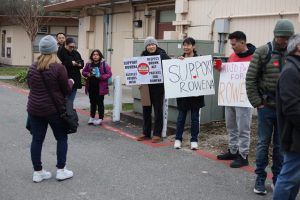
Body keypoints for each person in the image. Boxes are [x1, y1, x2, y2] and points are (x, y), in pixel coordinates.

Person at [246, 19, 294, 195]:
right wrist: (257, 102)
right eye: (283, 37)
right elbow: (250, 79)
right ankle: (259, 178)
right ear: (276, 35)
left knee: (281, 146)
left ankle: (277, 178)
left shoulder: (293, 53)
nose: (286, 41)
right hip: (266, 107)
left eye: (289, 37)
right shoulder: (263, 51)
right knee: (263, 144)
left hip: (285, 109)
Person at [27, 35, 74, 182]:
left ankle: (38, 172)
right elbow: (65, 90)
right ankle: (61, 170)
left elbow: (31, 86)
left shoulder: (32, 67)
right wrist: (71, 82)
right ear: (54, 50)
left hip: (35, 109)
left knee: (37, 140)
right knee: (61, 138)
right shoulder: (59, 68)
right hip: (54, 110)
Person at [216, 31, 256, 168]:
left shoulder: (254, 57)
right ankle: (233, 150)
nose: (232, 47)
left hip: (244, 98)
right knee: (231, 125)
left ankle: (243, 155)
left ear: (242, 42)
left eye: (234, 44)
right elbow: (229, 74)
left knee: (243, 128)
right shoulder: (233, 56)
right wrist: (220, 68)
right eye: (231, 44)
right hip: (231, 97)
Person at [273, 34, 300, 200]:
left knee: (294, 179)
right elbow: (292, 108)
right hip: (295, 136)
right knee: (289, 178)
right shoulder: (290, 71)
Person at [137, 36, 170, 143]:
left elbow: (170, 66)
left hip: (158, 87)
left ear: (156, 45)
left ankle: (157, 133)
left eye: (152, 44)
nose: (151, 47)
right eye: (148, 45)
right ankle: (146, 132)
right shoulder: (143, 56)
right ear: (146, 47)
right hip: (145, 87)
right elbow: (138, 70)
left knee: (158, 110)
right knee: (146, 110)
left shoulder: (163, 55)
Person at [173, 37, 205, 150]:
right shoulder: (179, 59)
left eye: (188, 45)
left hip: (196, 95)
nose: (186, 47)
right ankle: (178, 139)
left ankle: (194, 140)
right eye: (184, 45)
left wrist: (199, 90)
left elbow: (204, 77)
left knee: (195, 118)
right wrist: (178, 62)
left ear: (193, 46)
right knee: (181, 117)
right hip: (183, 94)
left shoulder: (200, 59)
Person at [82, 50, 112, 126]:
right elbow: (83, 72)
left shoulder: (104, 64)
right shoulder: (89, 64)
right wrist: (87, 74)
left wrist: (101, 77)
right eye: (94, 54)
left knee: (100, 103)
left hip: (100, 87)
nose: (95, 56)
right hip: (91, 86)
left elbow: (109, 74)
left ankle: (100, 118)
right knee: (92, 103)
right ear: (92, 56)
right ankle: (92, 117)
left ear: (100, 56)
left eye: (97, 55)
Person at [57, 37, 84, 107]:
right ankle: (64, 113)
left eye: (73, 47)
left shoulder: (76, 52)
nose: (72, 48)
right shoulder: (60, 52)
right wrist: (71, 63)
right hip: (65, 78)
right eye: (70, 47)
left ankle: (69, 113)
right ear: (65, 44)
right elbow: (59, 64)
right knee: (64, 99)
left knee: (71, 100)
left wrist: (80, 64)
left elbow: (81, 62)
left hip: (75, 78)